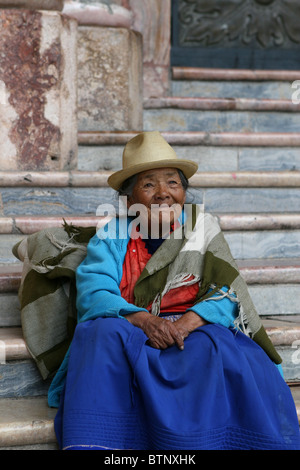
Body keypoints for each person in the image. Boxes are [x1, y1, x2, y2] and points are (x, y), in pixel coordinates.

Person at [49, 131, 300, 450]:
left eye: (172, 183)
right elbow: (95, 292)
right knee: (98, 334)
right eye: (149, 184)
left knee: (217, 346)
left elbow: (227, 293)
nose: (163, 193)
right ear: (129, 199)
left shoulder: (202, 230)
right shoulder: (111, 235)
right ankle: (102, 440)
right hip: (132, 325)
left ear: (183, 192)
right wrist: (145, 321)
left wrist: (182, 326)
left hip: (190, 329)